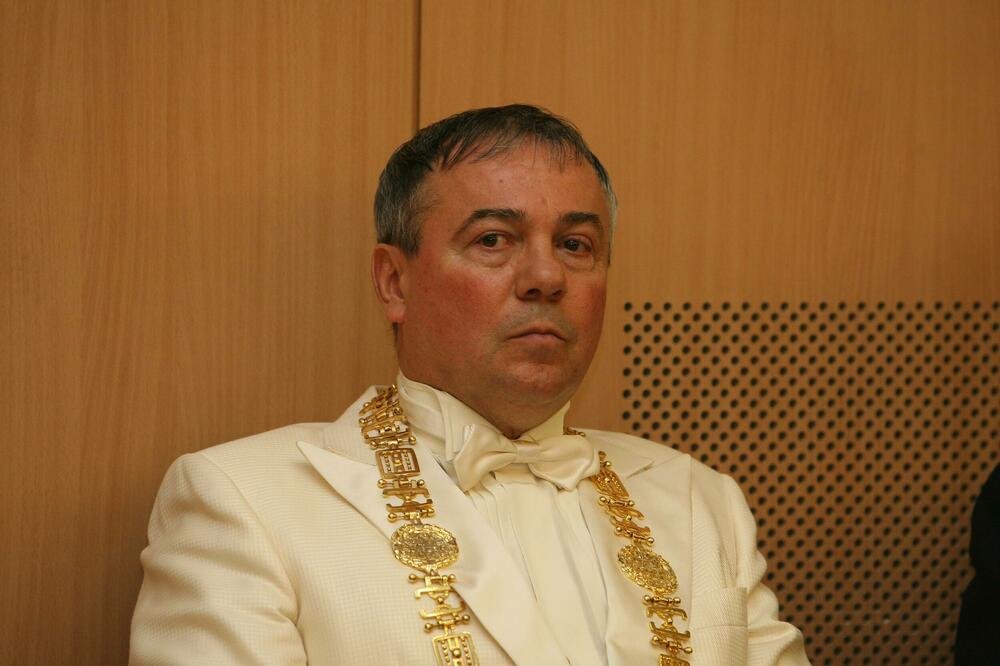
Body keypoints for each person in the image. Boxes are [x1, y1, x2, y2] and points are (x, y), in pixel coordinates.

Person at [130, 104, 810, 665]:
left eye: (575, 245)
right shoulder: (245, 502)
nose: (546, 277)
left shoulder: (700, 501)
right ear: (395, 283)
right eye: (493, 240)